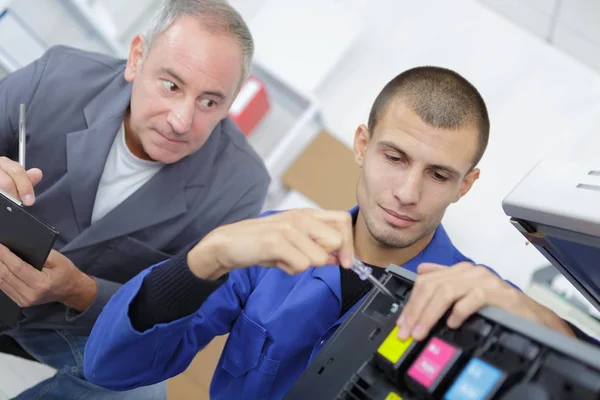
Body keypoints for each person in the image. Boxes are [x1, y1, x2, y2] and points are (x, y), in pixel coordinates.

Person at [83, 66, 584, 400]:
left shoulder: (487, 306)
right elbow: (111, 367)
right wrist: (206, 256)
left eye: (438, 175)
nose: (408, 193)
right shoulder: (267, 250)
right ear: (362, 145)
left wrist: (541, 323)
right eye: (395, 157)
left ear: (465, 185)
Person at [0, 0, 269, 399]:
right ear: (137, 57)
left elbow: (183, 317)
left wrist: (79, 290)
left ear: (229, 105)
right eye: (171, 85)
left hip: (67, 322)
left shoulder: (240, 188)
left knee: (138, 392)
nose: (181, 120)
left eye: (209, 102)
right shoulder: (59, 76)